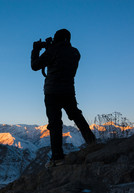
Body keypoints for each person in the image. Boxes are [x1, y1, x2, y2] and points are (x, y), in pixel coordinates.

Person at [31, 29, 96, 168]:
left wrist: (36, 50)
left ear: (56, 39)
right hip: (68, 91)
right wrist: (51, 47)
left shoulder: (52, 51)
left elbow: (35, 66)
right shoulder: (75, 52)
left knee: (55, 124)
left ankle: (57, 158)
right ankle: (92, 143)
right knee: (76, 115)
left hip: (52, 92)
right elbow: (62, 59)